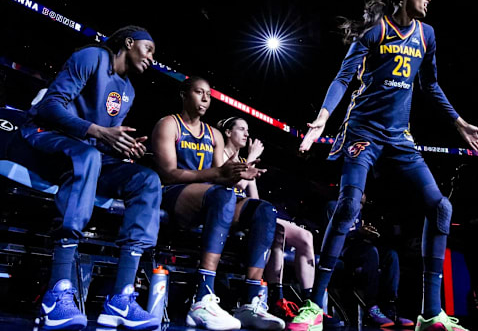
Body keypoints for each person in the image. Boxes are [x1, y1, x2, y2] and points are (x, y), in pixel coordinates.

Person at [289, 0, 478, 331]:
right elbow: (343, 77)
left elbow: (430, 84)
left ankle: (430, 314)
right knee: (349, 203)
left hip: (399, 137)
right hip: (363, 131)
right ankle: (314, 305)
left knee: (441, 207)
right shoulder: (375, 31)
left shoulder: (427, 35)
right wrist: (321, 120)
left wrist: (458, 122)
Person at [6, 26, 162, 330]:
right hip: (43, 135)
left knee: (147, 180)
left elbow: (100, 141)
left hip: (85, 150)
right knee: (87, 156)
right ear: (129, 43)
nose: (152, 58)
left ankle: (121, 298)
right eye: (149, 49)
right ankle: (56, 294)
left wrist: (123, 145)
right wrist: (98, 132)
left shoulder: (128, 91)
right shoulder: (92, 56)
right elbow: (50, 106)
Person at [152, 77, 284, 331]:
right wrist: (219, 176)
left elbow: (220, 178)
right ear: (184, 94)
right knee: (222, 195)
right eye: (198, 92)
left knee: (264, 210)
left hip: (210, 197)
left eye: (208, 95)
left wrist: (237, 174)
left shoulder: (213, 134)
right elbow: (168, 173)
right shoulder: (169, 125)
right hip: (173, 193)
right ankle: (202, 298)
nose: (204, 98)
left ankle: (250, 301)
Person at [217, 116, 316, 321]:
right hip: (225, 212)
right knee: (277, 231)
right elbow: (235, 185)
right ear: (228, 132)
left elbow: (256, 201)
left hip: (248, 217)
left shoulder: (246, 163)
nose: (246, 134)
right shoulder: (219, 155)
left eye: (248, 130)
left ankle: (311, 303)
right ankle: (276, 298)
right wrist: (251, 158)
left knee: (305, 236)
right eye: (241, 129)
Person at [325, 194, 414, 328]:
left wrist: (367, 234)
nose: (363, 196)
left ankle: (390, 308)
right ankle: (371, 307)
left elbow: (358, 236)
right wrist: (358, 233)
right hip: (341, 250)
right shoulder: (334, 205)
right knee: (371, 252)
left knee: (391, 255)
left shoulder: (359, 210)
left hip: (358, 246)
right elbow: (337, 233)